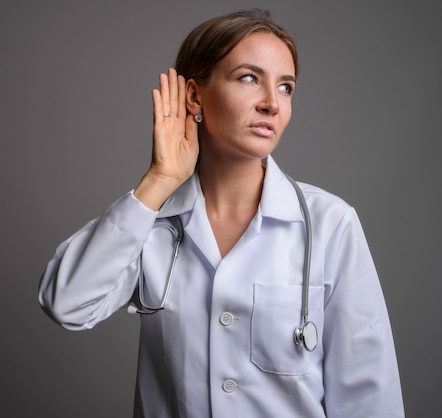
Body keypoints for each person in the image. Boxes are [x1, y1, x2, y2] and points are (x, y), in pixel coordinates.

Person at [38, 9, 404, 418]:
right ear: (194, 96)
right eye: (250, 78)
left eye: (286, 87)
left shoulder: (330, 224)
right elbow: (66, 303)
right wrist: (159, 180)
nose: (272, 104)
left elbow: (370, 396)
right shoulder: (152, 221)